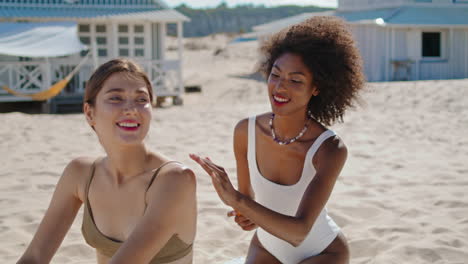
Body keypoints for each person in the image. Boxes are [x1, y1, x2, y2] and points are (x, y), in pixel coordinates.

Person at [190, 16, 365, 264]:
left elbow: (299, 232)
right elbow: (248, 208)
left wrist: (235, 199)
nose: (280, 88)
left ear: (316, 87)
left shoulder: (329, 149)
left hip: (322, 253)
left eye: (295, 80)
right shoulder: (245, 132)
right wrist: (244, 215)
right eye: (275, 75)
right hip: (266, 248)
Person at [17, 59, 197, 264]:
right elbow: (34, 257)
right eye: (116, 98)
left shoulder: (175, 180)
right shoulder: (80, 174)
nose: (131, 109)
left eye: (141, 99)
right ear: (89, 113)